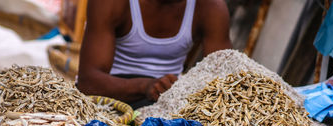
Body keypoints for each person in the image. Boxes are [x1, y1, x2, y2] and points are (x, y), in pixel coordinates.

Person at [77, 0, 232, 109]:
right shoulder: (113, 3)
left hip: (165, 99)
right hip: (109, 94)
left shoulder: (211, 7)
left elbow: (224, 83)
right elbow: (88, 82)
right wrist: (145, 86)